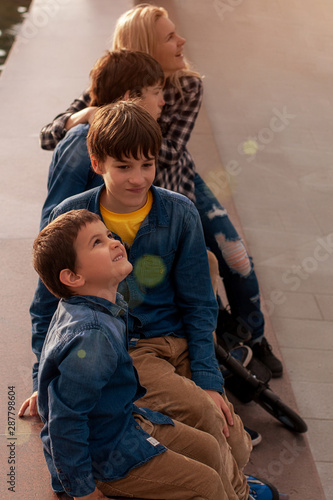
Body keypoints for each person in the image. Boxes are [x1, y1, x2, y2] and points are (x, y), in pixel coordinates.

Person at [21, 102, 282, 500]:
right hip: (132, 349)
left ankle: (232, 483)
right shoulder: (73, 218)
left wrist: (209, 378)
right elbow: (47, 308)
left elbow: (199, 304)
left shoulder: (179, 212)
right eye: (123, 167)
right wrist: (47, 377)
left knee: (228, 429)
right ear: (97, 162)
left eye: (147, 164)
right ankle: (229, 489)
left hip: (177, 338)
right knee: (207, 417)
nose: (138, 178)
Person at [39, 3, 283, 377]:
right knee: (177, 270)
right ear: (145, 51)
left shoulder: (185, 85)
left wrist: (127, 128)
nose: (181, 40)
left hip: (178, 180)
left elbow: (167, 151)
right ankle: (214, 343)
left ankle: (254, 336)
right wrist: (95, 115)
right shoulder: (117, 85)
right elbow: (52, 133)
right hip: (140, 187)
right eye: (170, 36)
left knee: (232, 256)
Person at [33, 208, 229, 500]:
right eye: (97, 243)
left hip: (124, 423)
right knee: (206, 484)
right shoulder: (92, 336)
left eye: (109, 235)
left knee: (210, 448)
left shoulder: (100, 304)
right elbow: (64, 421)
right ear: (73, 276)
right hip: (106, 461)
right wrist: (83, 491)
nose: (114, 242)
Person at [39, 49, 165, 229]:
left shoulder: (138, 134)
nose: (163, 101)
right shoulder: (81, 142)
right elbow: (54, 222)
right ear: (129, 97)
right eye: (156, 92)